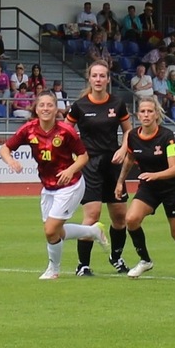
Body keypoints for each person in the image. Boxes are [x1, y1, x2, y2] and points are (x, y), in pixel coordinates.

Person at [0, 91, 109, 279]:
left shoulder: (66, 131)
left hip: (70, 185)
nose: (45, 109)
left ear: (56, 108)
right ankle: (93, 231)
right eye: (42, 105)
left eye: (50, 105)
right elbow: (5, 148)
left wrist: (70, 170)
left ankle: (53, 270)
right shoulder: (28, 129)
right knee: (55, 232)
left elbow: (83, 157)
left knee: (50, 230)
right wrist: (11, 161)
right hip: (48, 187)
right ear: (36, 108)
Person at [115, 96, 175, 279]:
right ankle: (145, 260)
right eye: (142, 111)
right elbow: (129, 159)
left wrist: (154, 175)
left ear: (156, 115)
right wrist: (120, 182)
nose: (146, 115)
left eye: (150, 111)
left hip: (172, 189)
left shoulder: (167, 136)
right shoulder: (133, 136)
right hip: (149, 188)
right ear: (138, 115)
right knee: (131, 219)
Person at [65, 60, 132, 276]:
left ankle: (116, 257)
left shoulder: (117, 103)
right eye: (95, 75)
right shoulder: (80, 106)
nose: (98, 79)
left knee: (120, 217)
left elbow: (129, 131)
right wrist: (75, 154)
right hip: (90, 165)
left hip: (113, 164)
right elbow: (65, 132)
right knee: (92, 216)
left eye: (102, 76)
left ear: (108, 79)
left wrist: (123, 149)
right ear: (89, 78)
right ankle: (82, 265)